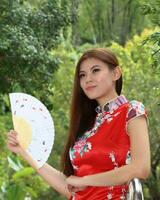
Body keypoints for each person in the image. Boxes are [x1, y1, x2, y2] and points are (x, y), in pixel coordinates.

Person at [7, 48, 151, 200]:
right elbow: (72, 189)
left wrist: (84, 181)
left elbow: (141, 168)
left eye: (95, 71)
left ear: (116, 73)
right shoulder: (87, 127)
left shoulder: (131, 111)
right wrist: (25, 152)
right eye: (82, 75)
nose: (88, 79)